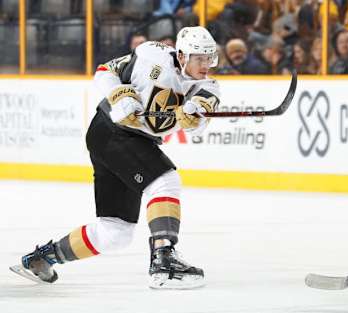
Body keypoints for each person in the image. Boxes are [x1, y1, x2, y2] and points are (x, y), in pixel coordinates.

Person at [13, 26, 221, 290]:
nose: (205, 65)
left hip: (128, 141)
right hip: (109, 130)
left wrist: (193, 115)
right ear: (181, 55)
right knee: (165, 182)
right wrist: (121, 96)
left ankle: (42, 258)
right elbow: (104, 71)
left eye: (209, 58)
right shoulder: (150, 55)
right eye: (199, 58)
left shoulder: (208, 87)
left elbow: (201, 116)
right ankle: (164, 259)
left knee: (115, 233)